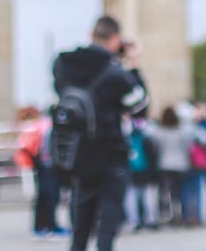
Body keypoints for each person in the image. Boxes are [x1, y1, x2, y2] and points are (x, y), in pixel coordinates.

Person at [52, 15, 150, 251]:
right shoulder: (115, 72)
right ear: (115, 40)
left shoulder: (64, 64)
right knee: (106, 233)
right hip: (110, 156)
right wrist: (133, 64)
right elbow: (140, 107)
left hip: (78, 156)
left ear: (90, 35)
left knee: (80, 233)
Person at [15, 106, 65, 239]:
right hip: (47, 164)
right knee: (50, 196)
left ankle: (40, 227)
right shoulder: (48, 126)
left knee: (43, 197)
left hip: (40, 164)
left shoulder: (37, 125)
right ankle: (50, 226)